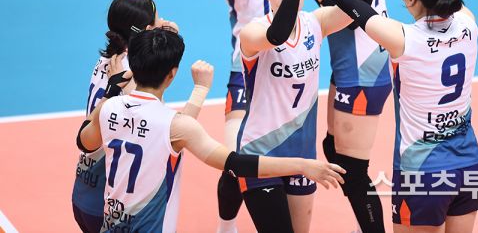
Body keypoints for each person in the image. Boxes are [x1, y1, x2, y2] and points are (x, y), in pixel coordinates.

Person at [282, 0, 478, 233]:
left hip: (423, 170)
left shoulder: (404, 39)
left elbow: (353, 5)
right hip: (469, 163)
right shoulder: (468, 22)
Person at [77, 27, 345, 233]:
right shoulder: (175, 124)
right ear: (172, 74)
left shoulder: (109, 107)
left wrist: (111, 90)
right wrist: (302, 165)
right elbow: (235, 163)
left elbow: (84, 142)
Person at [200, 0, 326, 233]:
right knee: (235, 157)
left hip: (290, 62)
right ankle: (227, 226)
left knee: (288, 152)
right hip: (248, 64)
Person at [298, 0, 392, 232]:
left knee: (352, 168)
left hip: (363, 67)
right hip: (351, 64)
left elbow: (354, 12)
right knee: (333, 150)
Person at [237, 0, 353, 233]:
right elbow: (277, 33)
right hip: (261, 152)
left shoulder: (315, 23)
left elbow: (352, 8)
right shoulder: (253, 32)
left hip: (303, 154)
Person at [71, 0, 179, 232]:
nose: (163, 21)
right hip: (111, 207)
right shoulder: (136, 76)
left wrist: (163, 34)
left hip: (84, 189)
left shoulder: (108, 60)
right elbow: (156, 122)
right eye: (158, 19)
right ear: (147, 30)